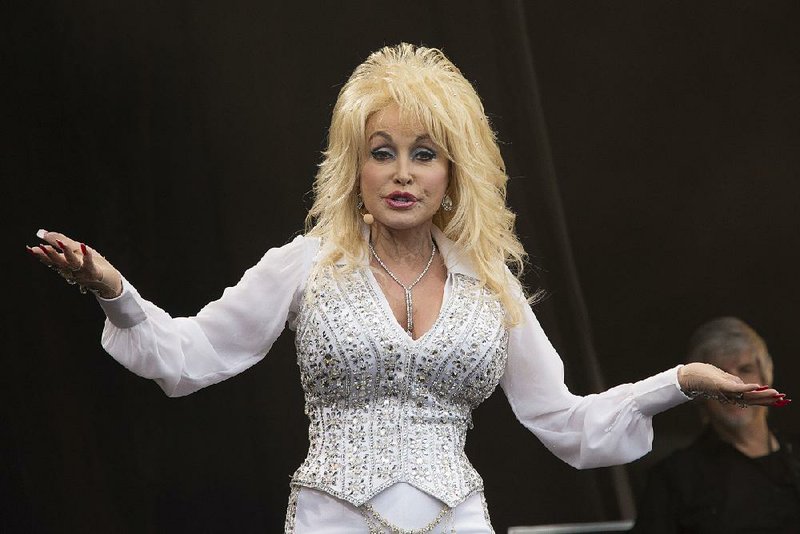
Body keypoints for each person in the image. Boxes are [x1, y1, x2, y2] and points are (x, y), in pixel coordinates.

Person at [27, 44, 786, 534]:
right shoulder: (310, 264)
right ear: (355, 166)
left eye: (423, 153)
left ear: (452, 170)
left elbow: (568, 422)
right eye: (381, 152)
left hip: (458, 519)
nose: (401, 172)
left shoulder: (491, 288)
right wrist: (113, 289)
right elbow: (191, 354)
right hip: (332, 519)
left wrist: (681, 382)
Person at [633, 317, 799, 533]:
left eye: (746, 369)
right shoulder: (676, 477)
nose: (735, 385)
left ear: (766, 376)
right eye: (720, 375)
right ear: (700, 392)